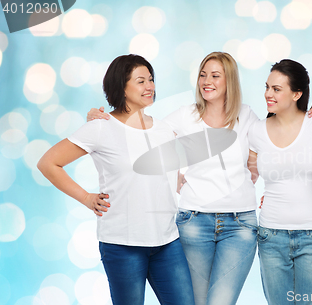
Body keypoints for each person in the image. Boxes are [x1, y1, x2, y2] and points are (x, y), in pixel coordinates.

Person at [87, 52, 312, 305]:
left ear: (229, 82)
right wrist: (103, 119)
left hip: (240, 225)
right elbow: (144, 136)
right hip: (193, 222)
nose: (206, 81)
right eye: (203, 75)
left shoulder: (247, 117)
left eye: (215, 75)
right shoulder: (184, 116)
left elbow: (273, 146)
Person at [37, 54, 195, 305]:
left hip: (167, 241)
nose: (150, 86)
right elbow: (48, 163)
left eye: (151, 80)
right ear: (121, 86)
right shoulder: (101, 127)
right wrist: (87, 198)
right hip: (123, 244)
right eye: (141, 81)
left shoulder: (164, 129)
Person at [248, 59, 312, 305]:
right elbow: (248, 177)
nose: (268, 94)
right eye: (267, 87)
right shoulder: (256, 130)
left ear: (297, 93)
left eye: (276, 89)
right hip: (271, 235)